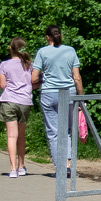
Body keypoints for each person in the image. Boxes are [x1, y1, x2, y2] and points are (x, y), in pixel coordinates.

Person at [31, 25, 82, 178]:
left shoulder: (42, 52)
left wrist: (43, 80)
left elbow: (33, 78)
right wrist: (81, 98)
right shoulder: (71, 51)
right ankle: (67, 165)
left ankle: (59, 168)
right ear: (61, 35)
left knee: (53, 132)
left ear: (47, 37)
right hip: (69, 93)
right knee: (66, 130)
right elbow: (77, 77)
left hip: (49, 94)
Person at [0, 38, 33, 177]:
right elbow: (35, 81)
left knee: (11, 136)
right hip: (25, 101)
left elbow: (2, 85)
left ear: (10, 49)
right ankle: (22, 166)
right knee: (21, 135)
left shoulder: (4, 65)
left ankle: (13, 169)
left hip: (9, 101)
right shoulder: (30, 65)